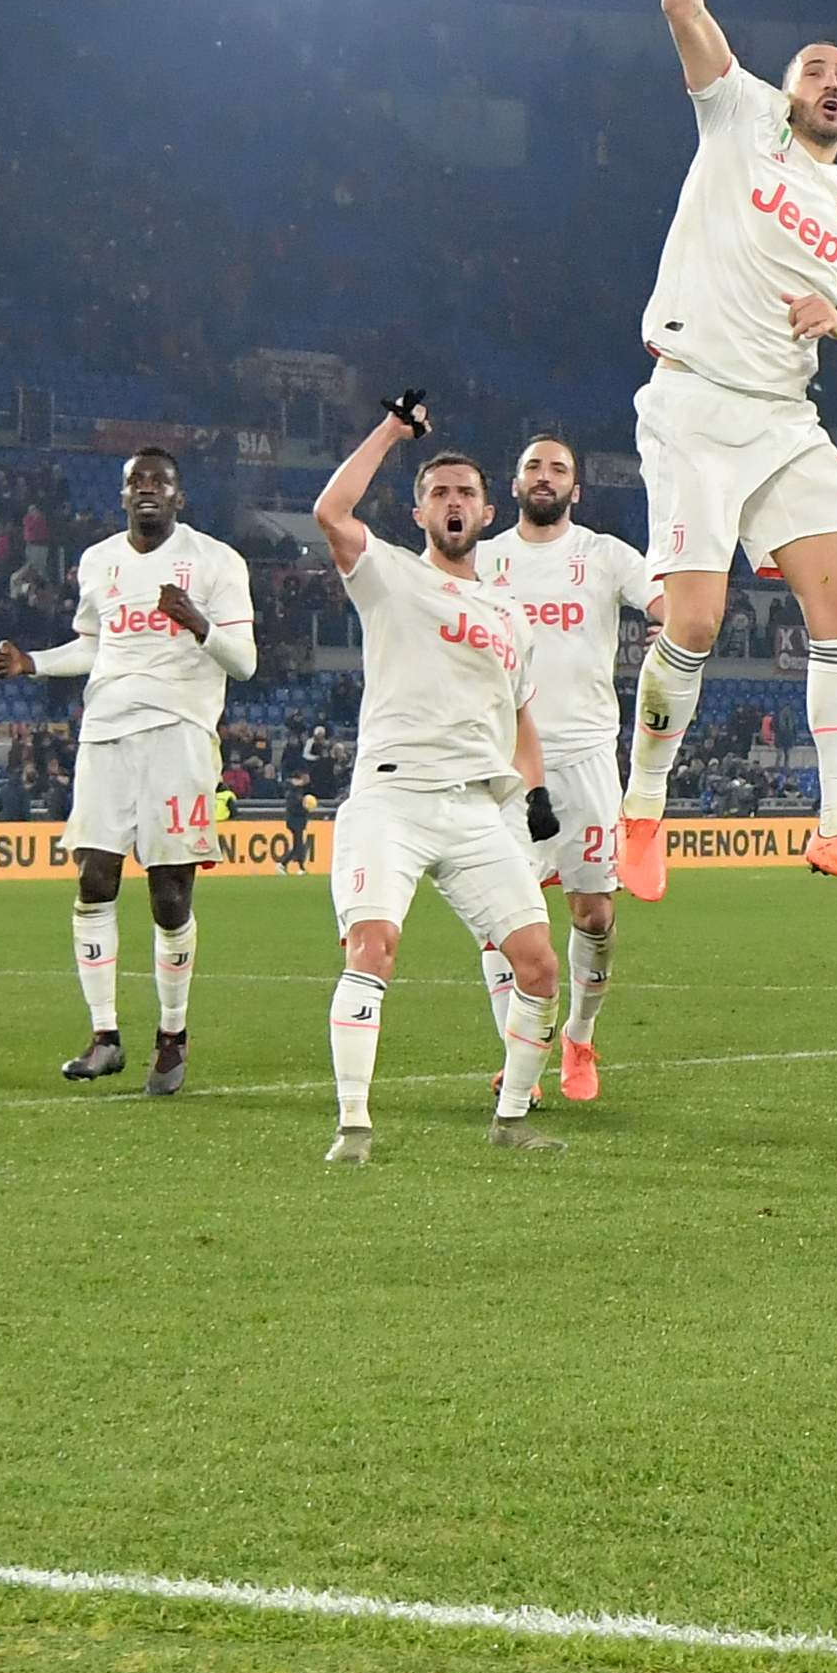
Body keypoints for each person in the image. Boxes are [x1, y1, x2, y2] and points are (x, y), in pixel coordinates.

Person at [615, 0, 837, 903]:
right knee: (692, 620)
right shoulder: (740, 116)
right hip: (693, 401)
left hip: (786, 415)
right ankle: (644, 809)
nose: (829, 81)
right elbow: (680, 5)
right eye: (814, 68)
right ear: (786, 89)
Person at [310, 396, 568, 1164]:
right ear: (417, 509)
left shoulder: (512, 617)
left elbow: (521, 715)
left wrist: (538, 792)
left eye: (465, 492)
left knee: (539, 962)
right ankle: (353, 1123)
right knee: (373, 943)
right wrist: (393, 430)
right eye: (439, 492)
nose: (453, 502)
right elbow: (330, 509)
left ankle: (512, 1116)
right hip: (392, 798)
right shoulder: (387, 573)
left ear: (489, 511)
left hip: (475, 810)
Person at [0, 447, 254, 1097]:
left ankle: (172, 1035)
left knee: (168, 894)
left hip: (179, 733)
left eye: (160, 481)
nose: (147, 489)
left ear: (180, 497)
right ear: (122, 495)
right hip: (104, 731)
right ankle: (105, 1035)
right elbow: (93, 643)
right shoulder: (98, 560)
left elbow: (242, 660)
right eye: (136, 481)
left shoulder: (217, 561)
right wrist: (33, 664)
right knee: (94, 874)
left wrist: (198, 623)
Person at [476, 433, 659, 1102]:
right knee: (502, 915)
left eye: (558, 468)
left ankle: (579, 1036)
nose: (545, 476)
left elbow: (668, 604)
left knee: (592, 915)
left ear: (575, 490)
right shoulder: (484, 559)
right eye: (533, 467)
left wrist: (679, 625)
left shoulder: (605, 556)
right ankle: (519, 1049)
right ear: (515, 484)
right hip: (504, 763)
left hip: (584, 759)